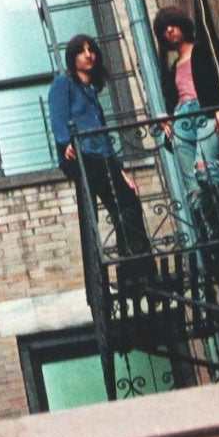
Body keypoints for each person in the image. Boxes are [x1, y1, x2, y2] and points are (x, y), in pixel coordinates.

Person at [48, 33, 152, 287]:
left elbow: (104, 135)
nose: (88, 55)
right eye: (82, 51)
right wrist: (66, 143)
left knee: (128, 203)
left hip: (102, 156)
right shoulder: (63, 83)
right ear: (73, 58)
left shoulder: (92, 92)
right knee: (93, 212)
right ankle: (114, 275)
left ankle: (135, 270)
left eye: (91, 50)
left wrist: (121, 170)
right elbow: (58, 116)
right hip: (82, 155)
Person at [152, 5, 219, 241]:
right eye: (164, 29)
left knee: (205, 168)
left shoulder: (204, 49)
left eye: (172, 24)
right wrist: (165, 118)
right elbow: (173, 102)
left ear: (182, 24)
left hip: (206, 112)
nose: (169, 30)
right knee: (194, 187)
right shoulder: (172, 68)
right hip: (182, 120)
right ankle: (211, 236)